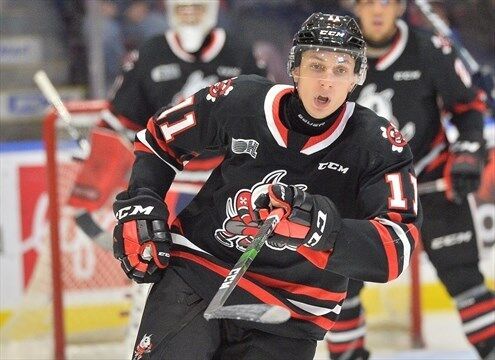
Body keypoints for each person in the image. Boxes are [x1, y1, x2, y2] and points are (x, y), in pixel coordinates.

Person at [111, 13, 422, 359]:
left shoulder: (379, 145)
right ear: (295, 67)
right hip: (198, 273)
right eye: (316, 66)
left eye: (340, 69)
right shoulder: (241, 100)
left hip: (291, 309)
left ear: (356, 78)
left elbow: (398, 247)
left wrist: (320, 230)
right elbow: (160, 138)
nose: (327, 82)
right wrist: (140, 202)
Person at [324, 1, 494, 360]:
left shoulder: (430, 49)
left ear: (400, 7)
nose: (377, 11)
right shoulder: (335, 56)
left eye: (386, 1)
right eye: (368, 2)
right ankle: (348, 355)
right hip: (363, 189)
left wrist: (467, 152)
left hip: (427, 181)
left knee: (464, 277)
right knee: (342, 285)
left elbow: (468, 107)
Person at [68, 0, 267, 238]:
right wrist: (98, 155)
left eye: (197, 8)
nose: (190, 16)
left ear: (212, 10)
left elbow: (264, 119)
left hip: (224, 179)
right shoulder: (150, 52)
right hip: (168, 176)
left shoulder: (241, 53)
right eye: (183, 9)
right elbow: (120, 120)